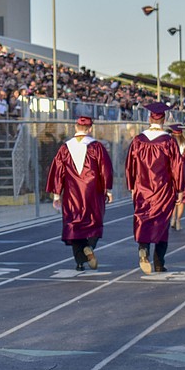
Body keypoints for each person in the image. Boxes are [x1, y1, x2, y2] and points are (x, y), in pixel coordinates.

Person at [45, 115, 114, 272]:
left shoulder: (64, 148)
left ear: (76, 128)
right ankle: (89, 247)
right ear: (90, 129)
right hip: (92, 192)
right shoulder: (97, 147)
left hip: (72, 194)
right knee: (93, 223)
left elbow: (58, 172)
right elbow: (106, 170)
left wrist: (56, 194)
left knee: (74, 225)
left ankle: (79, 262)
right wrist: (108, 190)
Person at [125, 102, 184, 274]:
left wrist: (132, 187)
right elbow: (177, 167)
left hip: (142, 188)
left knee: (143, 219)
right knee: (161, 224)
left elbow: (130, 165)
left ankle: (143, 248)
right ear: (163, 120)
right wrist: (180, 189)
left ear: (149, 118)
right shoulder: (169, 141)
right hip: (163, 189)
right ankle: (159, 263)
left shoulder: (138, 140)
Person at [168, 123, 185, 231]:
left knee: (173, 197)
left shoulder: (169, 143)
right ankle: (178, 220)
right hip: (183, 173)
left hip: (171, 172)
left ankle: (173, 218)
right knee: (182, 198)